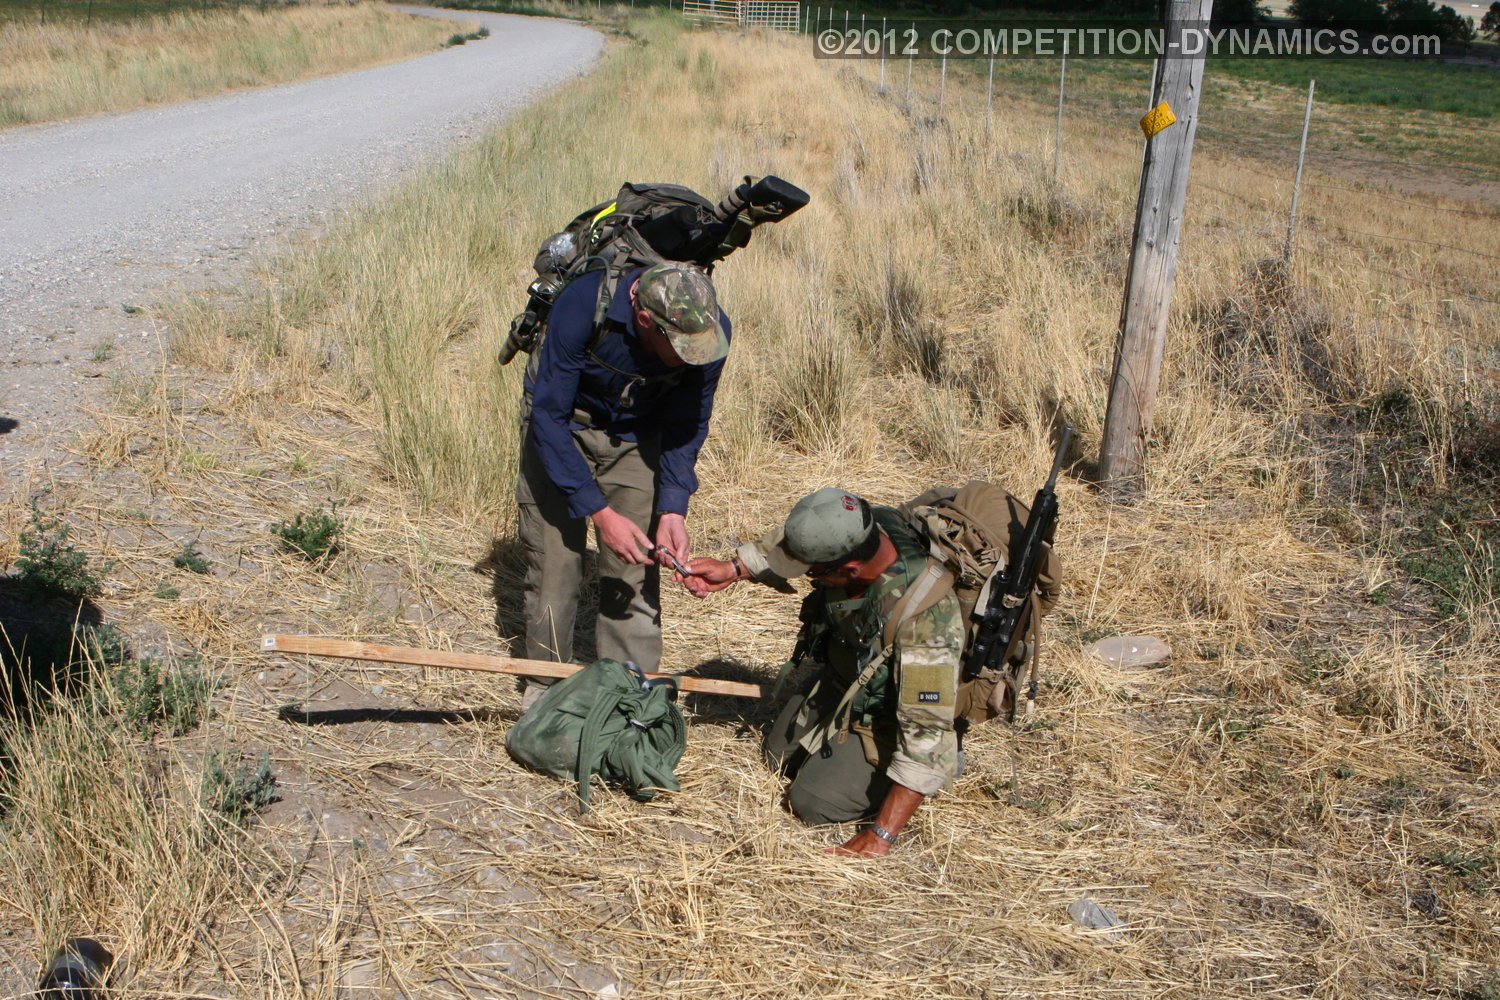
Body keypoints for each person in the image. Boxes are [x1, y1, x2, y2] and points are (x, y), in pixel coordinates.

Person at [683, 487, 965, 857]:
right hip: (847, 678)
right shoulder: (865, 524)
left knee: (814, 803)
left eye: (812, 573)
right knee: (777, 756)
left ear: (849, 569)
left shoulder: (928, 619)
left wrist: (882, 834)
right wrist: (735, 569)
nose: (807, 577)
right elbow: (796, 544)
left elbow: (926, 731)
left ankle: (948, 754)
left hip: (892, 712)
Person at [516, 262, 730, 707]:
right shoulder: (582, 305)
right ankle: (546, 687)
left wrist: (673, 506)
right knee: (555, 564)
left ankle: (629, 694)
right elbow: (548, 416)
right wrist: (599, 512)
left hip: (638, 436)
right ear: (645, 319)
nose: (690, 356)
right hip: (564, 428)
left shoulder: (708, 335)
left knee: (634, 568)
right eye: (679, 347)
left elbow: (689, 423)